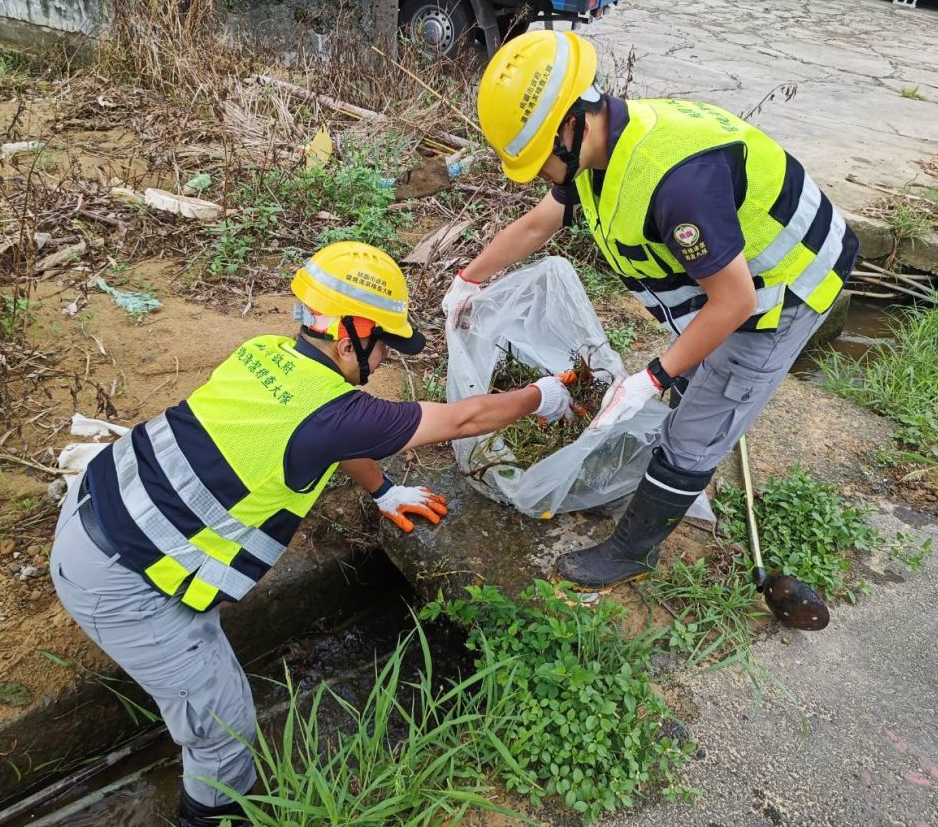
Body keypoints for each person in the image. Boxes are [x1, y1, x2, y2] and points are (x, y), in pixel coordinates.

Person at [50, 241, 573, 826]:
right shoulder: (333, 414)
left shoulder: (266, 353)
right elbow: (465, 419)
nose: (382, 363)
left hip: (96, 509)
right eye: (383, 348)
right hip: (121, 584)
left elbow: (332, 432)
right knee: (226, 732)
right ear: (352, 339)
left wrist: (383, 491)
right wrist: (541, 396)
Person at [444, 30, 859, 591]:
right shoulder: (599, 151)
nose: (535, 172)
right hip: (731, 272)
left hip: (785, 282)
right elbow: (539, 224)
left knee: (698, 423)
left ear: (570, 125)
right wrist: (469, 279)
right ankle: (694, 402)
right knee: (697, 376)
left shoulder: (673, 183)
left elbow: (735, 301)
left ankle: (632, 550)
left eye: (535, 157)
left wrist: (654, 376)